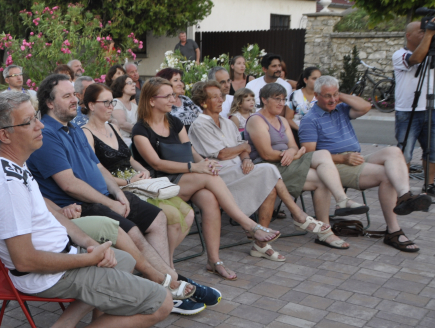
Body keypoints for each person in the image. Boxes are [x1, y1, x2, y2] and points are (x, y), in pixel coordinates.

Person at [0, 92, 173, 328]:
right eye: (29, 122)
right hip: (45, 275)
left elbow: (48, 208)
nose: (40, 126)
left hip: (61, 258)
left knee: (126, 260)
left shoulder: (9, 161)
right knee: (162, 304)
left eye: (36, 117)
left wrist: (88, 243)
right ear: (4, 135)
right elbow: (25, 261)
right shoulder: (7, 186)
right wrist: (88, 259)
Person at [25, 75, 212, 313]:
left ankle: (168, 277)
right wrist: (109, 202)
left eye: (74, 94)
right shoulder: (48, 135)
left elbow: (98, 167)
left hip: (106, 195)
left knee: (157, 218)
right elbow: (69, 184)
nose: (75, 100)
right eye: (67, 96)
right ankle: (167, 286)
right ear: (50, 103)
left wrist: (118, 193)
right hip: (80, 204)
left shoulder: (73, 129)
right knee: (132, 232)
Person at [79, 84, 220, 307]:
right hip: (119, 188)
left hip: (138, 183)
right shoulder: (85, 133)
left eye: (111, 102)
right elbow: (97, 170)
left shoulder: (111, 128)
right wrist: (126, 182)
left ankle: (166, 273)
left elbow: (128, 158)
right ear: (89, 106)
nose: (110, 106)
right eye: (105, 102)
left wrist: (140, 169)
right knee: (170, 216)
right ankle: (169, 279)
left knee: (187, 214)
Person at [131, 79, 281, 281]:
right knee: (208, 177)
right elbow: (156, 164)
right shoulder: (140, 129)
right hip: (161, 182)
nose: (173, 99)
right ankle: (249, 225)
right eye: (166, 96)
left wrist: (204, 163)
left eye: (173, 95)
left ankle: (214, 260)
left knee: (210, 199)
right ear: (151, 101)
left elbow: (189, 150)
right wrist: (197, 167)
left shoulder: (173, 122)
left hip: (186, 176)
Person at [188, 81, 334, 262]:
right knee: (268, 169)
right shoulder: (200, 125)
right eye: (215, 97)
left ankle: (261, 245)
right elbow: (223, 154)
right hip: (218, 174)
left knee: (270, 185)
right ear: (203, 102)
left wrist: (246, 158)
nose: (221, 100)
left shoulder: (227, 123)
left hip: (238, 168)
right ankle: (298, 215)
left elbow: (245, 150)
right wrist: (242, 148)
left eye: (222, 96)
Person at [300, 75, 430, 253]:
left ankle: (404, 196)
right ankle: (393, 231)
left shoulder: (341, 108)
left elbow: (366, 106)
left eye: (334, 95)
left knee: (394, 151)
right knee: (387, 174)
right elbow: (310, 155)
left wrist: (339, 96)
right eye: (327, 96)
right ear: (316, 96)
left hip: (356, 158)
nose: (332, 100)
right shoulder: (310, 119)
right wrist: (342, 158)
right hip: (333, 166)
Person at [245, 82, 369, 250]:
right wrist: (289, 153)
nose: (282, 103)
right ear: (264, 100)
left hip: (287, 163)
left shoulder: (281, 119)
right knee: (322, 171)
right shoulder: (256, 120)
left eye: (284, 99)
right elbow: (266, 154)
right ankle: (330, 223)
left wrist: (291, 152)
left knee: (323, 163)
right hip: (268, 168)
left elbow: (295, 147)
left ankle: (337, 210)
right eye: (277, 99)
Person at [394, 20, 435, 190]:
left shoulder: (431, 54)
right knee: (405, 151)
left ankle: (430, 184)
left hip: (431, 108)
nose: (425, 33)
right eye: (421, 31)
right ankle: (404, 188)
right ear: (408, 35)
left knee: (432, 150)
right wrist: (430, 33)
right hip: (407, 111)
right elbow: (416, 58)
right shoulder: (399, 54)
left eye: (427, 30)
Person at [285, 66, 321, 133]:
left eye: (319, 79)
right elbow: (288, 118)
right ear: (305, 80)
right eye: (314, 78)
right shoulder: (295, 95)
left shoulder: (322, 96)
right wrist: (300, 130)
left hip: (318, 133)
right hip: (297, 132)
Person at [110, 75, 138, 146]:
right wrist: (141, 131)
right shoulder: (116, 102)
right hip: (122, 140)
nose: (133, 85)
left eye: (133, 83)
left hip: (135, 139)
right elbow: (122, 124)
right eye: (129, 83)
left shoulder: (134, 106)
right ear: (121, 87)